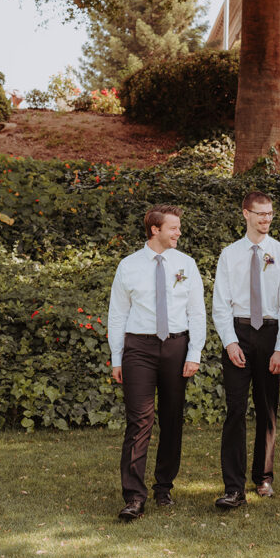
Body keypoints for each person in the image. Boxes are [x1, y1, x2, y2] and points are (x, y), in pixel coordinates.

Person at [107, 204, 206, 521]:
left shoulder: (186, 264)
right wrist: (117, 355)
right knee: (139, 422)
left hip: (177, 347)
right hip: (138, 348)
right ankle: (134, 496)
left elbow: (197, 312)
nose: (179, 232)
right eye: (174, 227)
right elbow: (118, 314)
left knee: (172, 419)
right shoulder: (129, 266)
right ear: (155, 230)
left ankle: (164, 486)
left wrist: (194, 353)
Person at [211, 191, 280, 509]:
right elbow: (220, 303)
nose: (266, 219)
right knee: (235, 410)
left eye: (270, 213)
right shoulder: (229, 255)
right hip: (239, 332)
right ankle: (233, 487)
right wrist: (230, 341)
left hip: (271, 334)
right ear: (245, 214)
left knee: (267, 408)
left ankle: (263, 476)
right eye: (260, 213)